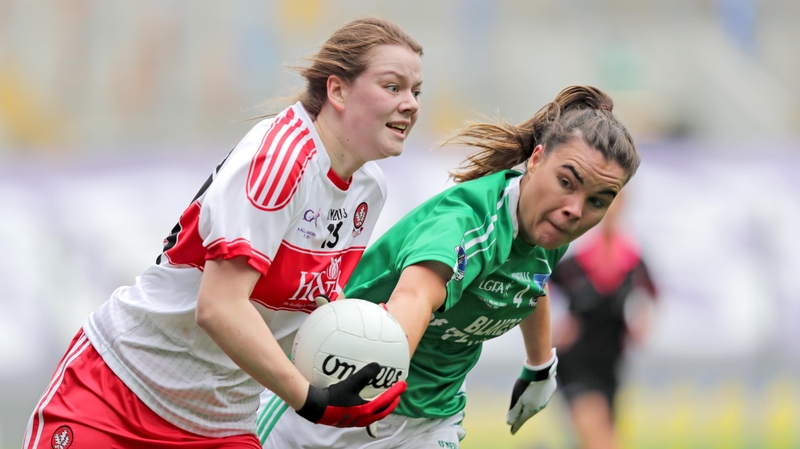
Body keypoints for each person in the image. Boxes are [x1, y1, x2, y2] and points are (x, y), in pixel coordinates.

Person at [23, 17, 423, 449]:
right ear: (338, 90)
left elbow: (307, 305)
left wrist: (361, 344)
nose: (412, 104)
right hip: (119, 393)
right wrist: (311, 400)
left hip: (221, 423)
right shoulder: (281, 158)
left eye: (416, 92)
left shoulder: (369, 189)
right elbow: (218, 307)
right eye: (393, 86)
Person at [257, 85, 641, 448]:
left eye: (597, 201)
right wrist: (375, 379)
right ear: (536, 160)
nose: (575, 209)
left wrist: (540, 366)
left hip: (429, 423)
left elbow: (531, 283)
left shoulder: (548, 229)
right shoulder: (465, 224)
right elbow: (415, 297)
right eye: (566, 181)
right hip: (334, 395)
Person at [548, 190, 657, 449]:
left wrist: (642, 323)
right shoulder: (575, 260)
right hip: (576, 361)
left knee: (595, 439)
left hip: (611, 364)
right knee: (601, 440)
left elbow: (652, 294)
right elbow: (536, 288)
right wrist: (553, 329)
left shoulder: (632, 261)